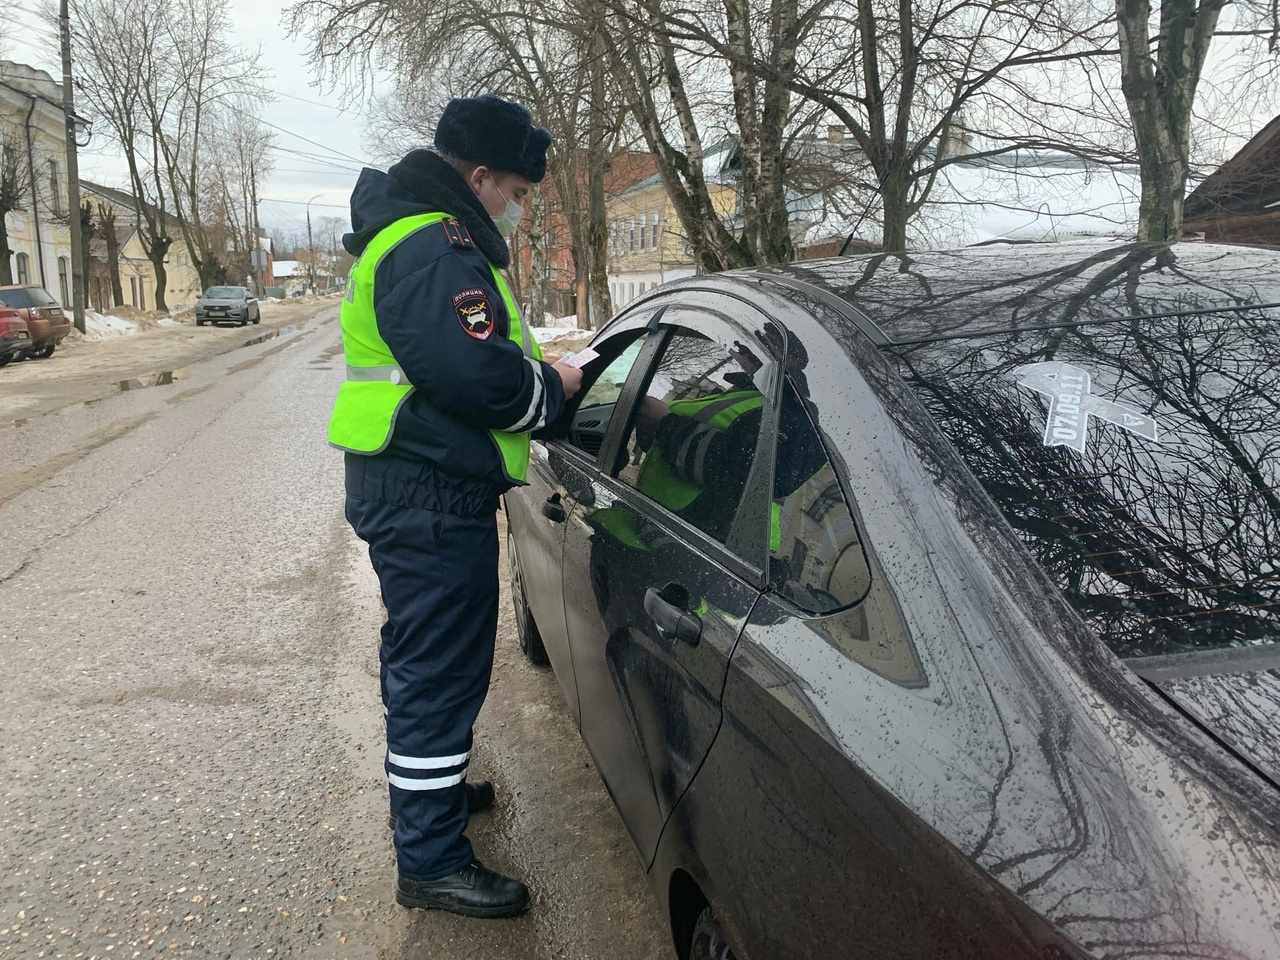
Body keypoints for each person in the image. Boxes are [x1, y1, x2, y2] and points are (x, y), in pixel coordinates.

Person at [328, 94, 583, 919]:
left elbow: (469, 354)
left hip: (416, 485)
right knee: (438, 673)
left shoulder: (418, 235)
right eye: (511, 189)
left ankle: (430, 798)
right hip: (426, 494)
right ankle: (431, 860)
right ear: (479, 177)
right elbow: (477, 375)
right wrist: (558, 386)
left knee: (431, 664)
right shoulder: (436, 245)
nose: (514, 205)